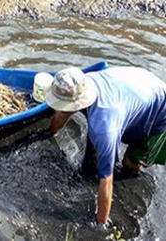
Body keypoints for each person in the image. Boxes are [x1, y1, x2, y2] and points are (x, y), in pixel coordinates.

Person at [45, 66, 166, 224]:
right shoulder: (84, 82)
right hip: (138, 89)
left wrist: (100, 224)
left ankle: (131, 175)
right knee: (92, 161)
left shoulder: (104, 127)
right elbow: (62, 113)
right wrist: (48, 135)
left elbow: (106, 180)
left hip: (159, 111)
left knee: (130, 163)